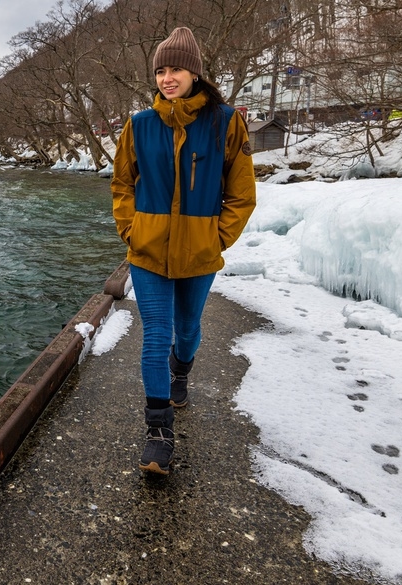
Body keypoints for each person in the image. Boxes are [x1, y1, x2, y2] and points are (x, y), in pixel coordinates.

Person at [110, 26, 257, 475]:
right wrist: (131, 230)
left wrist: (217, 238)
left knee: (188, 329)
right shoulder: (138, 126)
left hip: (199, 251)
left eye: (175, 68)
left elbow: (241, 193)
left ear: (195, 72)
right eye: (160, 70)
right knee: (155, 334)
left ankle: (182, 372)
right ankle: (158, 430)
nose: (167, 78)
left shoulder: (226, 122)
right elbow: (121, 184)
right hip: (148, 251)